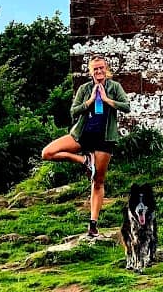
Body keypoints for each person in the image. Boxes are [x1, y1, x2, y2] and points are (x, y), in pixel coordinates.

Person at [41, 57, 131, 238]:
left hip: (104, 139)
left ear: (106, 69)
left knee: (97, 181)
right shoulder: (84, 89)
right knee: (47, 152)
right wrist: (89, 101)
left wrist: (107, 100)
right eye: (95, 69)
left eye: (101, 68)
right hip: (83, 135)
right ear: (91, 72)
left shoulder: (114, 87)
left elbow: (126, 107)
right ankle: (84, 160)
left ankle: (93, 224)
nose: (99, 72)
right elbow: (73, 111)